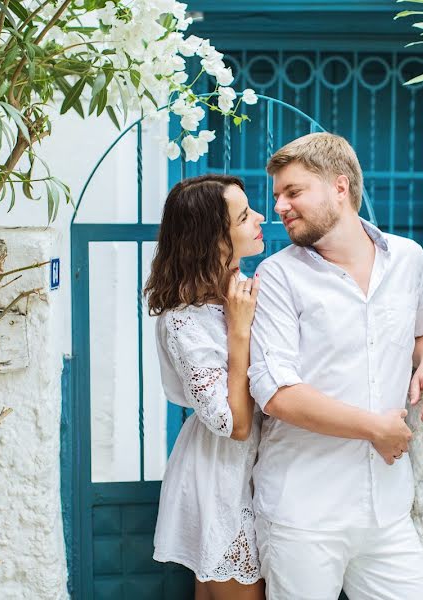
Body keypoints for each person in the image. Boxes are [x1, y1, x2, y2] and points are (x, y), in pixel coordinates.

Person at [248, 133, 423, 600]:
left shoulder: (408, 258)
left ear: (340, 188)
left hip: (388, 510)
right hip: (303, 512)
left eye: (293, 192)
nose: (280, 206)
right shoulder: (277, 275)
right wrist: (375, 429)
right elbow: (278, 393)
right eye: (277, 195)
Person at [145, 174, 266, 600]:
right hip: (220, 475)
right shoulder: (183, 319)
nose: (261, 218)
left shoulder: (239, 290)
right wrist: (238, 333)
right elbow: (234, 425)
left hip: (257, 470)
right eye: (245, 216)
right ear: (214, 238)